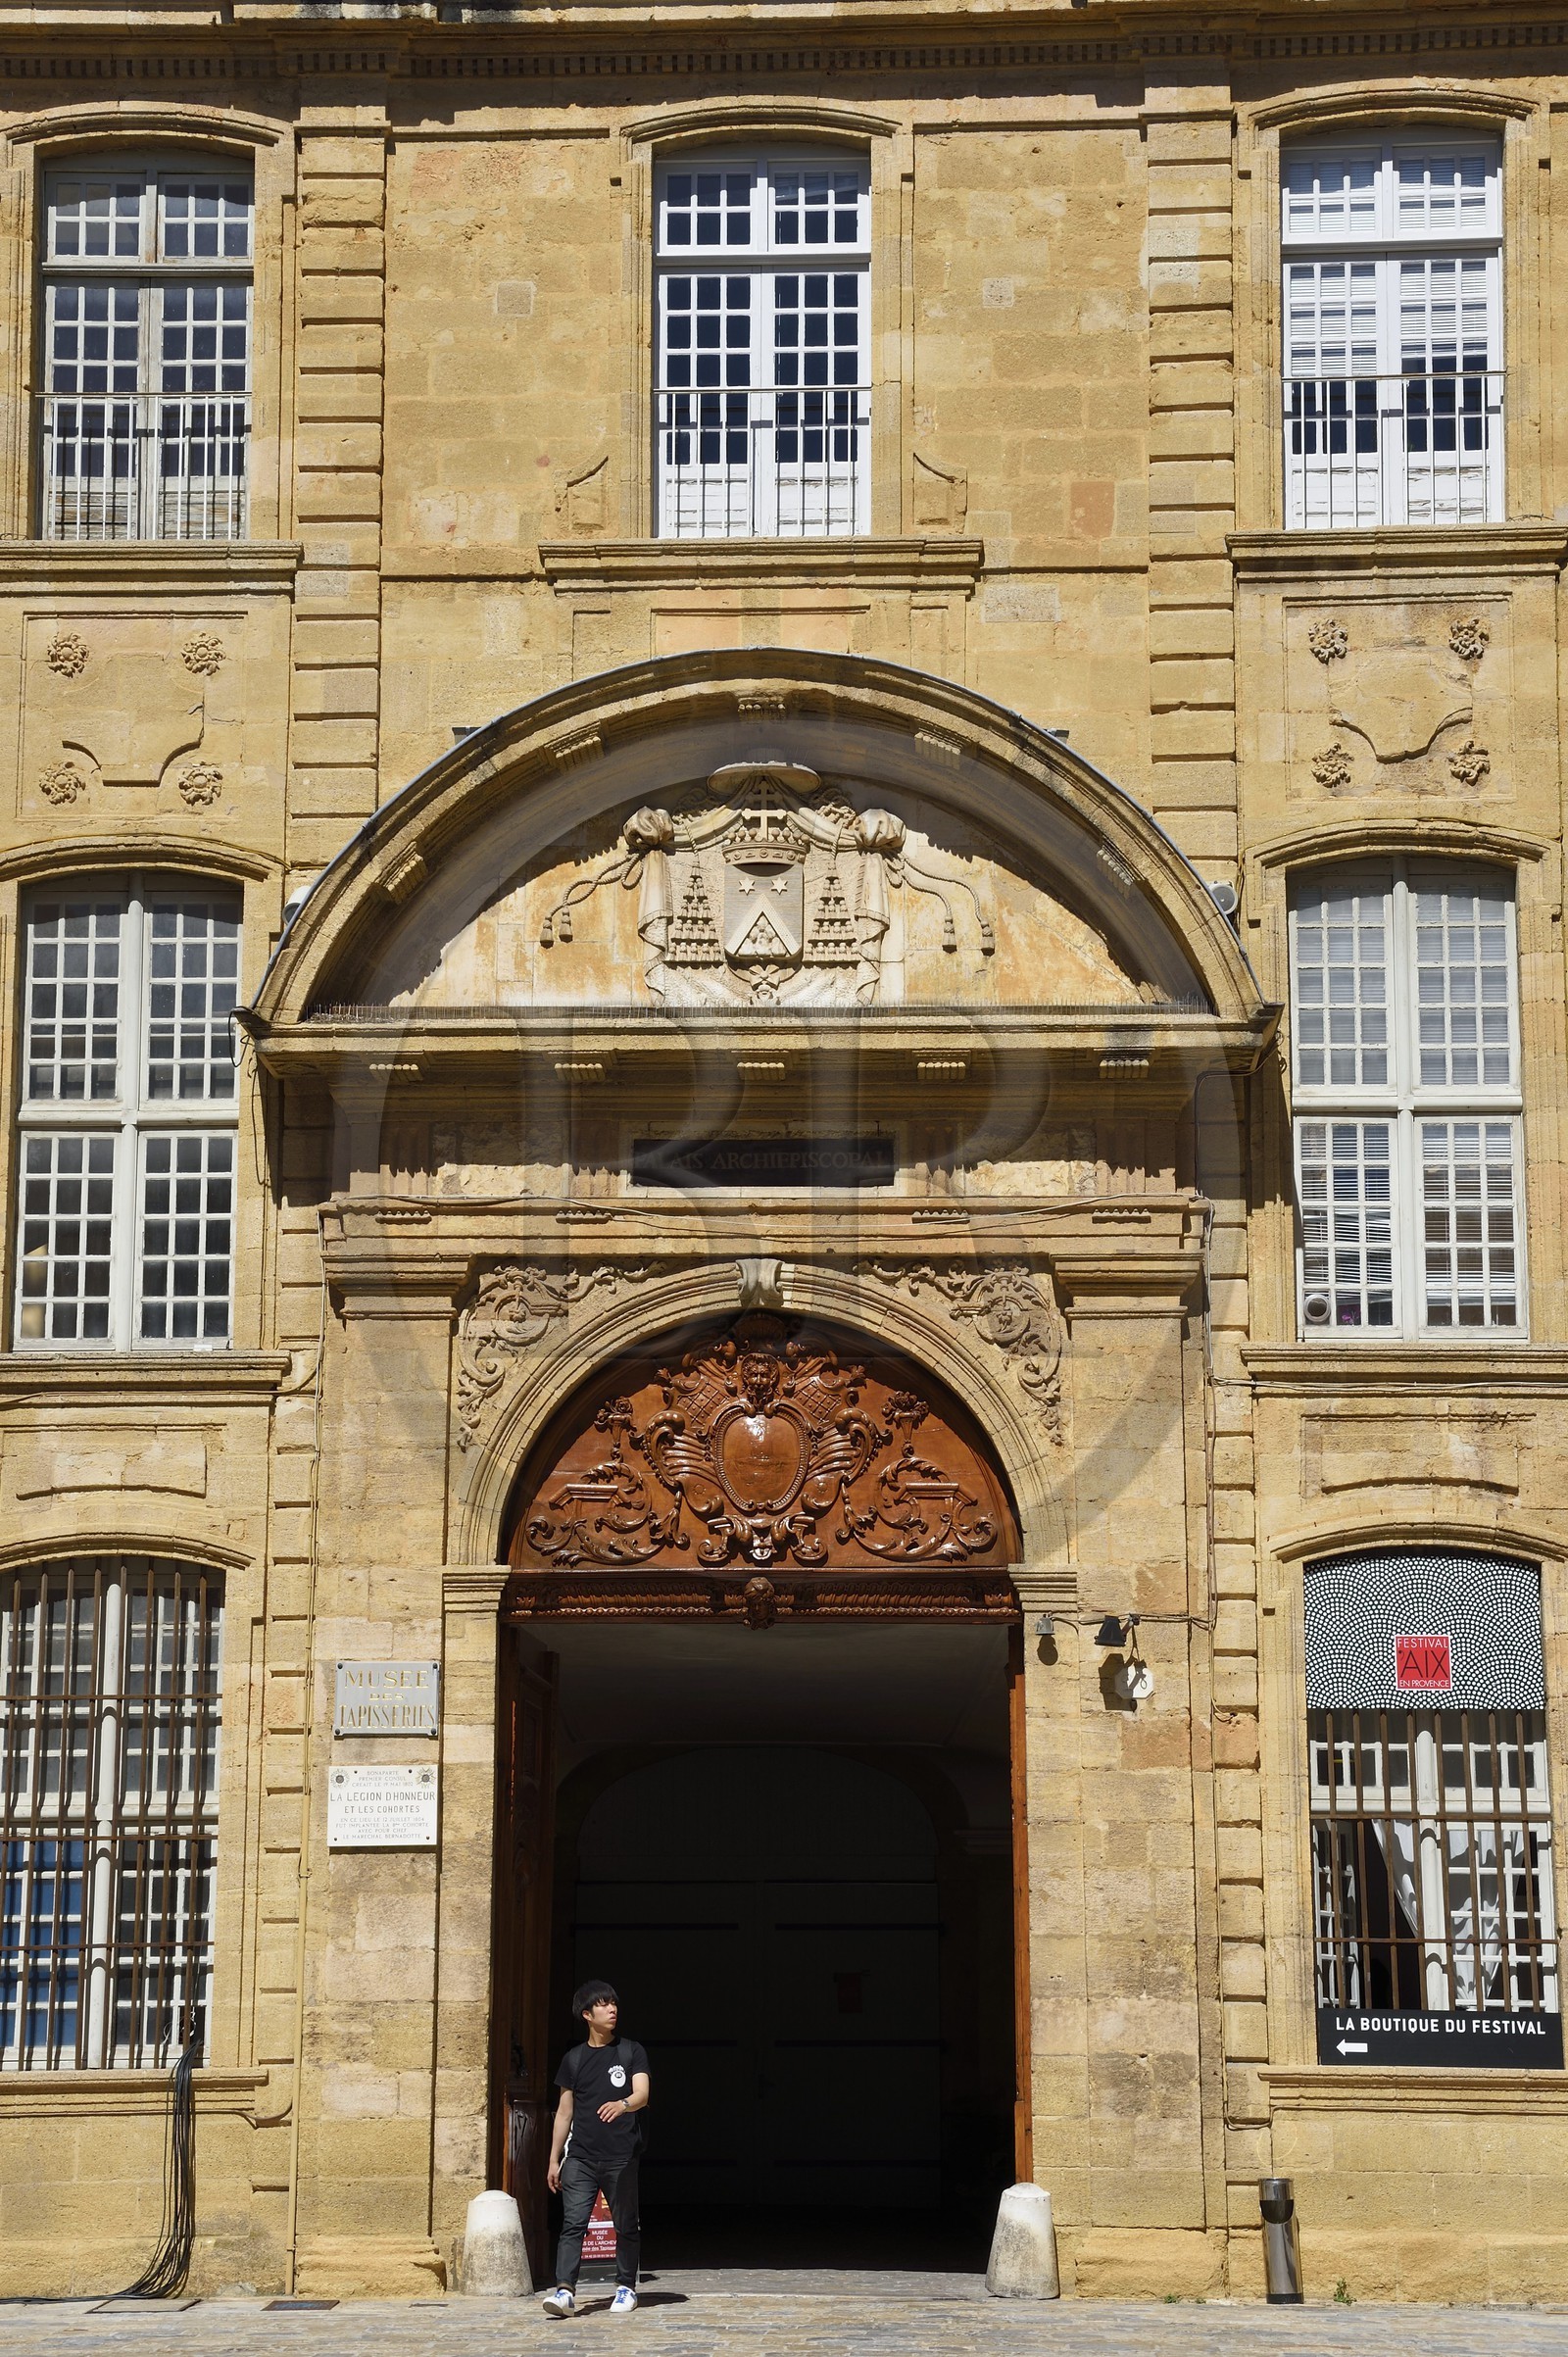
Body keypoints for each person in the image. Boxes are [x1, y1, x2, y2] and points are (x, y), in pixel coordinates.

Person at [540, 1981, 650, 2317]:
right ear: (587, 2015)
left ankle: (626, 2287)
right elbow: (564, 2112)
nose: (612, 2009)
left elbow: (642, 2094)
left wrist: (623, 2104)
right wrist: (554, 2159)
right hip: (581, 2158)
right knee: (573, 2224)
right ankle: (565, 2292)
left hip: (620, 2156)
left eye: (614, 2003)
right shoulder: (573, 2059)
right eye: (604, 2005)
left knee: (625, 2224)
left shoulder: (631, 2051)